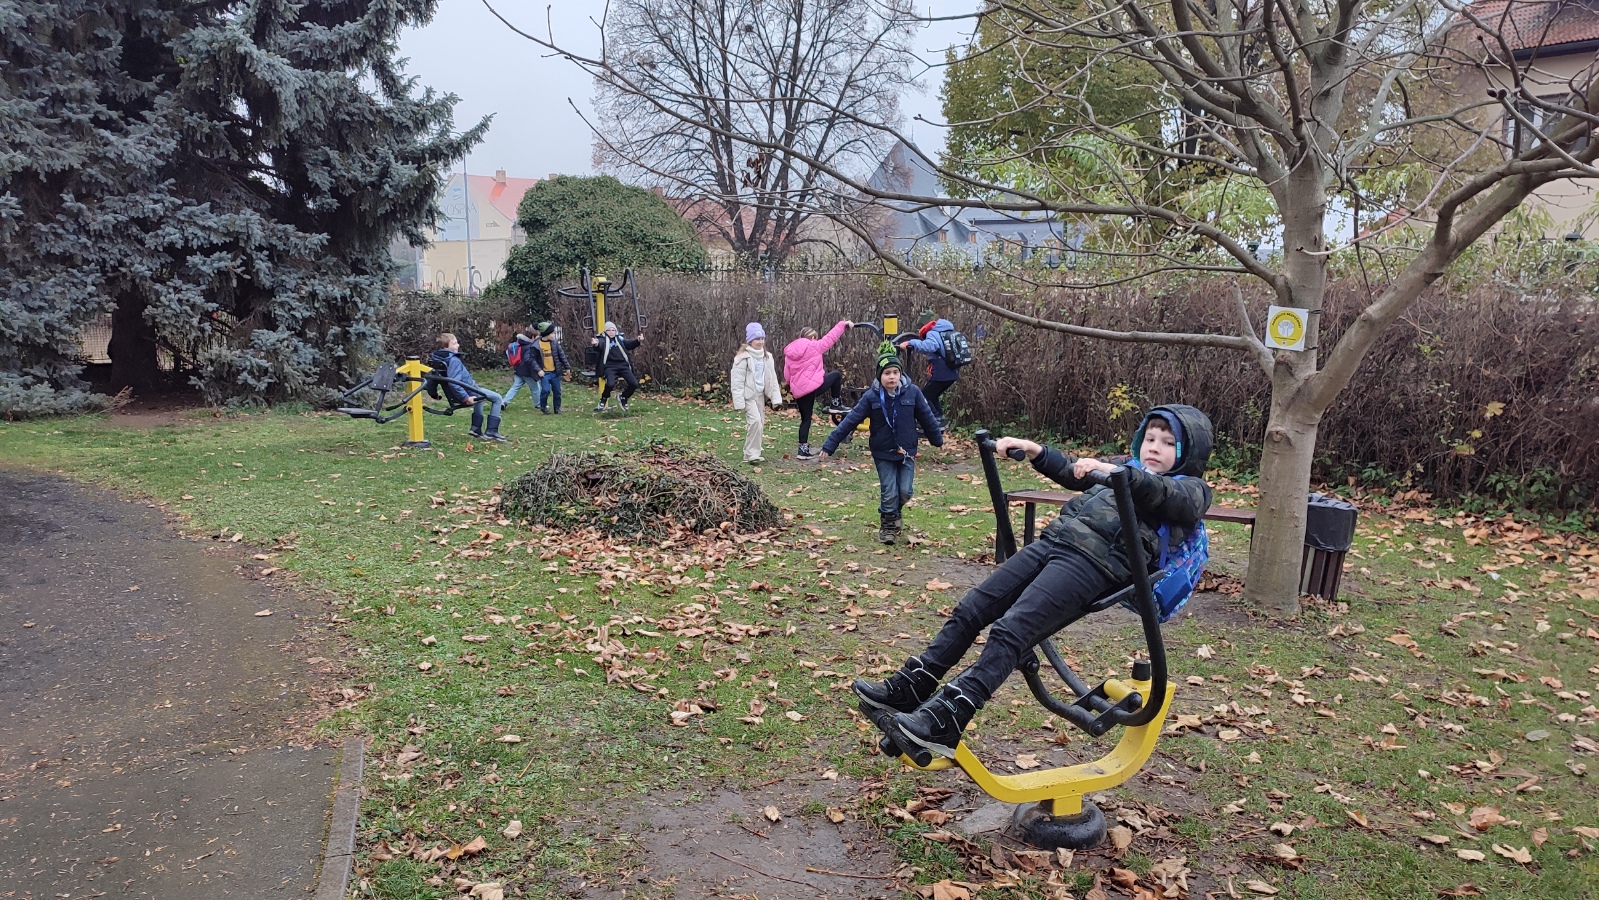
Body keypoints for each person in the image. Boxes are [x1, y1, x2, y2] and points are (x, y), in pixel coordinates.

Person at [853, 405, 1213, 760]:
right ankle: (914, 685)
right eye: (1150, 438)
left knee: (1012, 630)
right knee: (973, 607)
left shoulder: (1191, 490)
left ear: (1189, 452)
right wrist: (1035, 450)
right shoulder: (1127, 466)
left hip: (1094, 565)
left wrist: (1119, 473)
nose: (1154, 448)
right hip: (1055, 542)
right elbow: (1075, 472)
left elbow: (1161, 493)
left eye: (1168, 443)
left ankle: (948, 718)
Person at [819, 342, 943, 544]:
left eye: (895, 372)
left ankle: (895, 512)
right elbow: (851, 420)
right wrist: (830, 443)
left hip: (906, 452)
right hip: (882, 451)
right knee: (889, 490)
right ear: (879, 376)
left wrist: (937, 439)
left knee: (905, 491)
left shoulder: (913, 392)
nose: (892, 377)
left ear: (900, 374)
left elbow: (927, 417)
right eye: (887, 373)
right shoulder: (871, 397)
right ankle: (888, 527)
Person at [782, 320, 851, 460]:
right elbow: (831, 337)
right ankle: (835, 403)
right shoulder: (815, 346)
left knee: (805, 420)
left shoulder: (790, 352)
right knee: (836, 375)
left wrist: (794, 386)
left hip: (799, 392)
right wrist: (843, 324)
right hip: (814, 387)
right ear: (813, 337)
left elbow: (787, 375)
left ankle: (802, 451)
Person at [427, 333, 509, 442]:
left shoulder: (437, 359)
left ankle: (476, 429)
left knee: (479, 397)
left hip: (465, 391)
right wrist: (466, 398)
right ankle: (492, 431)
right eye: (454, 343)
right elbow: (454, 382)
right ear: (445, 346)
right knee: (497, 398)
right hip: (468, 392)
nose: (458, 345)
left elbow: (432, 379)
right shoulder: (453, 360)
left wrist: (433, 394)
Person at [730, 322, 783, 464]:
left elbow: (772, 378)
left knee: (760, 424)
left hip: (760, 396)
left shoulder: (767, 357)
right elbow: (737, 381)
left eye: (762, 339)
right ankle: (752, 454)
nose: (760, 342)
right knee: (755, 421)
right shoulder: (743, 358)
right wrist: (739, 402)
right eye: (757, 339)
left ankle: (752, 452)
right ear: (750, 341)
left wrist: (776, 399)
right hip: (748, 396)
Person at [897, 316, 961, 423]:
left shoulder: (933, 333)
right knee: (933, 395)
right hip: (953, 372)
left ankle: (934, 420)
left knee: (924, 395)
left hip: (941, 373)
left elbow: (930, 346)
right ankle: (940, 419)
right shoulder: (948, 333)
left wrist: (910, 343)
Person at [591, 321, 642, 412]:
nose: (611, 332)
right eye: (609, 330)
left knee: (634, 384)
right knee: (610, 384)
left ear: (616, 331)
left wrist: (637, 341)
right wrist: (596, 344)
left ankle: (623, 397)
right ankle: (604, 399)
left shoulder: (620, 339)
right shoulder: (602, 339)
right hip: (610, 367)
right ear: (605, 331)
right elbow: (599, 346)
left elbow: (629, 344)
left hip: (623, 366)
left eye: (613, 330)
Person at [533, 321, 569, 415]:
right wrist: (539, 370)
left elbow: (561, 355)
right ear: (546, 334)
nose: (554, 335)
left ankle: (557, 408)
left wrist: (567, 367)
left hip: (555, 372)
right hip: (544, 373)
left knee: (557, 391)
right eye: (552, 333)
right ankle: (543, 406)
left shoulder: (554, 343)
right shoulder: (536, 345)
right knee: (545, 390)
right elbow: (532, 360)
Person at [501, 331, 542, 409]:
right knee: (535, 388)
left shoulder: (520, 343)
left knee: (514, 387)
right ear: (533, 337)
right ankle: (538, 404)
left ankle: (504, 402)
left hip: (518, 370)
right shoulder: (530, 346)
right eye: (537, 336)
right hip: (528, 372)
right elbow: (528, 360)